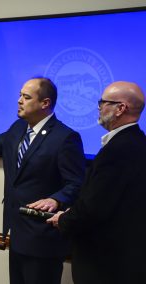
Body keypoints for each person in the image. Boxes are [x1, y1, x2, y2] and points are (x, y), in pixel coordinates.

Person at [0, 76, 85, 284]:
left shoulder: (65, 138)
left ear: (45, 103)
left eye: (26, 97)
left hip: (43, 239)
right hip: (17, 232)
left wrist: (56, 199)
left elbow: (76, 183)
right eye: (19, 95)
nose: (19, 100)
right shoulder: (17, 129)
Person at [48, 81, 146, 284]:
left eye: (103, 102)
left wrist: (64, 220)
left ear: (121, 108)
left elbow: (94, 207)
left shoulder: (117, 151)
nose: (99, 107)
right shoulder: (138, 141)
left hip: (106, 264)